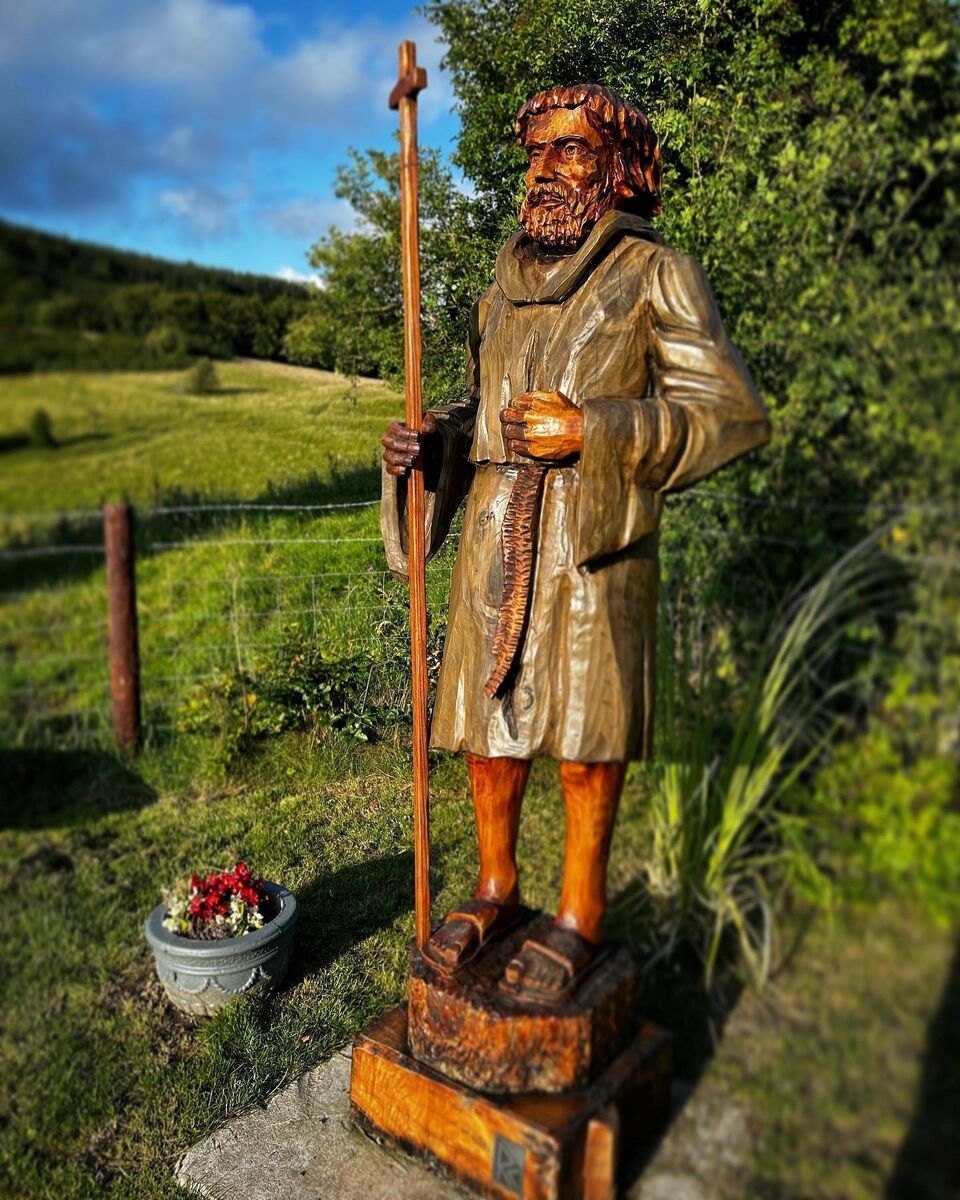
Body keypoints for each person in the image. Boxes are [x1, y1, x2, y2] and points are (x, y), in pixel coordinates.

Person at [381, 83, 770, 1005]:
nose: (544, 170)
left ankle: (581, 912)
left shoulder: (654, 272)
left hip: (592, 544)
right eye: (537, 152)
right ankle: (494, 886)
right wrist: (429, 445)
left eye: (570, 149)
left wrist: (593, 430)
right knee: (489, 725)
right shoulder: (497, 292)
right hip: (495, 534)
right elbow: (480, 414)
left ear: (619, 166)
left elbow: (729, 415)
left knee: (587, 731)